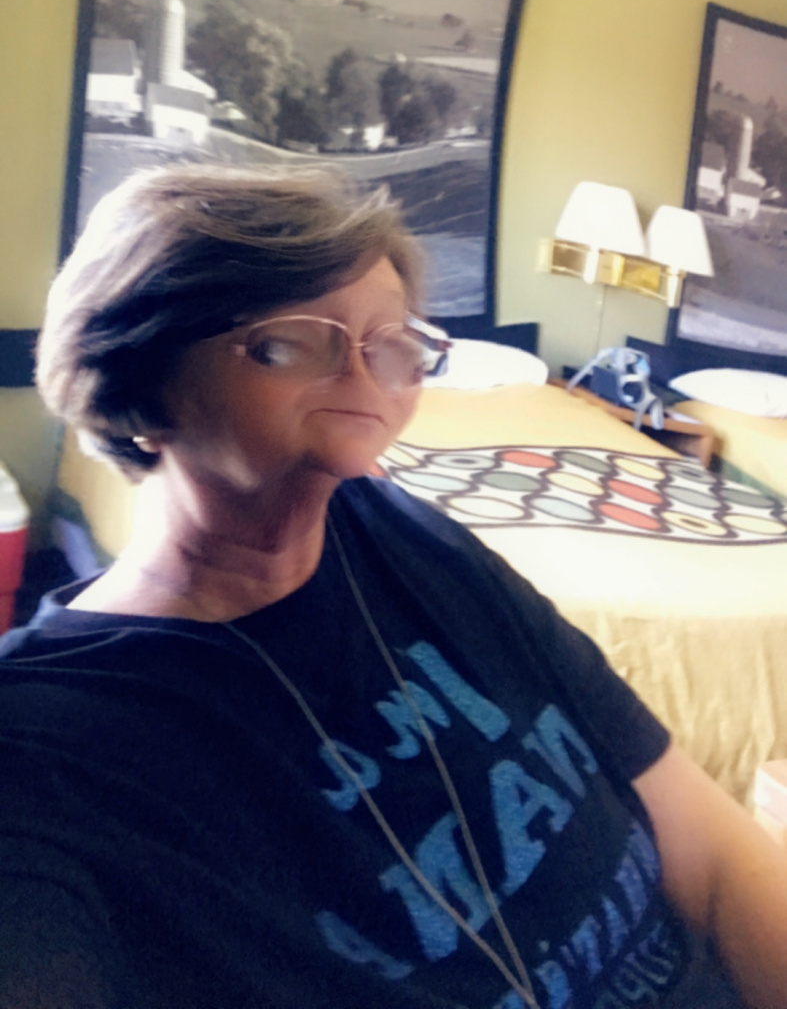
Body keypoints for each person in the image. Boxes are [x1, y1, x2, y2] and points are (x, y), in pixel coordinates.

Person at [0, 163, 785, 1009]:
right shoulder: (47, 745)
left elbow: (712, 850)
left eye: (394, 344)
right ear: (141, 385)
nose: (367, 378)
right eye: (292, 341)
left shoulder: (416, 537)